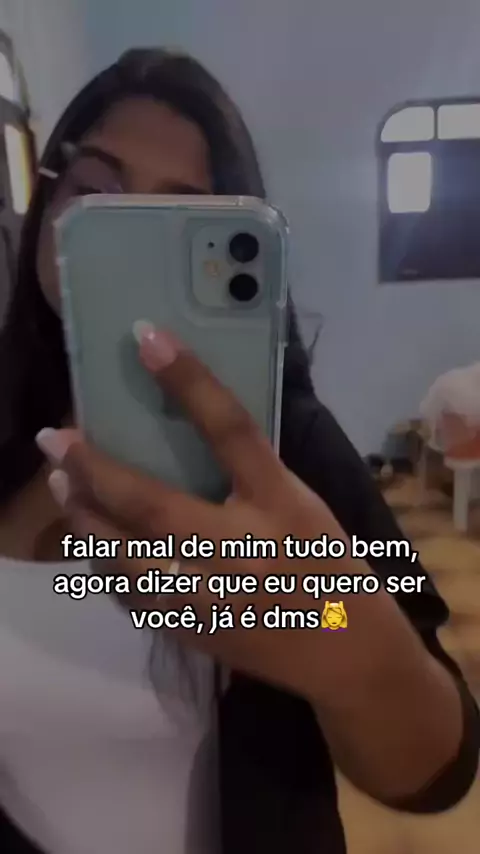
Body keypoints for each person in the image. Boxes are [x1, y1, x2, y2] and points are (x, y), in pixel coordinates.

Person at [0, 48, 478, 854]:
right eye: (96, 192)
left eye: (180, 217)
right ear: (47, 206)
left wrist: (348, 645)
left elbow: (439, 767)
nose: (126, 235)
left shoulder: (292, 450)